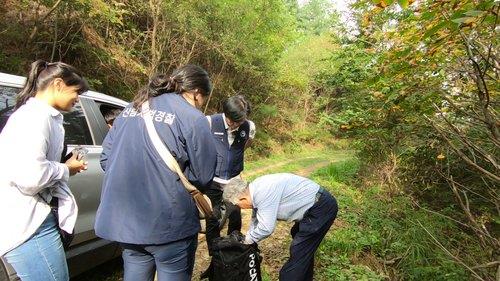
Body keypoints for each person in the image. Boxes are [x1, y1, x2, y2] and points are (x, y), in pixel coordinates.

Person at [95, 65, 217, 281]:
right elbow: (203, 176)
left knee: (135, 271)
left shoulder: (131, 109)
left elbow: (106, 159)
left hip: (128, 220)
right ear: (197, 92)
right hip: (169, 222)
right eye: (203, 99)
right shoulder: (192, 117)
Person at [0, 60, 89, 280]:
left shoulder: (43, 116)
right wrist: (66, 168)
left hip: (36, 221)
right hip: (30, 226)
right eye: (76, 91)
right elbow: (31, 176)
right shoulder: (34, 119)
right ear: (58, 84)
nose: (77, 99)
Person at [223, 173, 338, 281]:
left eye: (238, 205)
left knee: (299, 251)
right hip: (315, 205)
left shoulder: (263, 192)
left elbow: (266, 228)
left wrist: (249, 240)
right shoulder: (255, 189)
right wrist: (249, 238)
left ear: (243, 199)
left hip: (321, 208)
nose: (241, 208)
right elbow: (256, 218)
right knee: (298, 237)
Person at [204, 95, 255, 255]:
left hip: (234, 179)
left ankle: (232, 251)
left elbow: (246, 144)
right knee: (212, 217)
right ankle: (215, 254)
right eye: (232, 121)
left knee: (235, 215)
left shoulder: (249, 126)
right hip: (212, 179)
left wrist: (233, 159)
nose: (235, 125)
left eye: (240, 121)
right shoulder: (209, 122)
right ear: (225, 113)